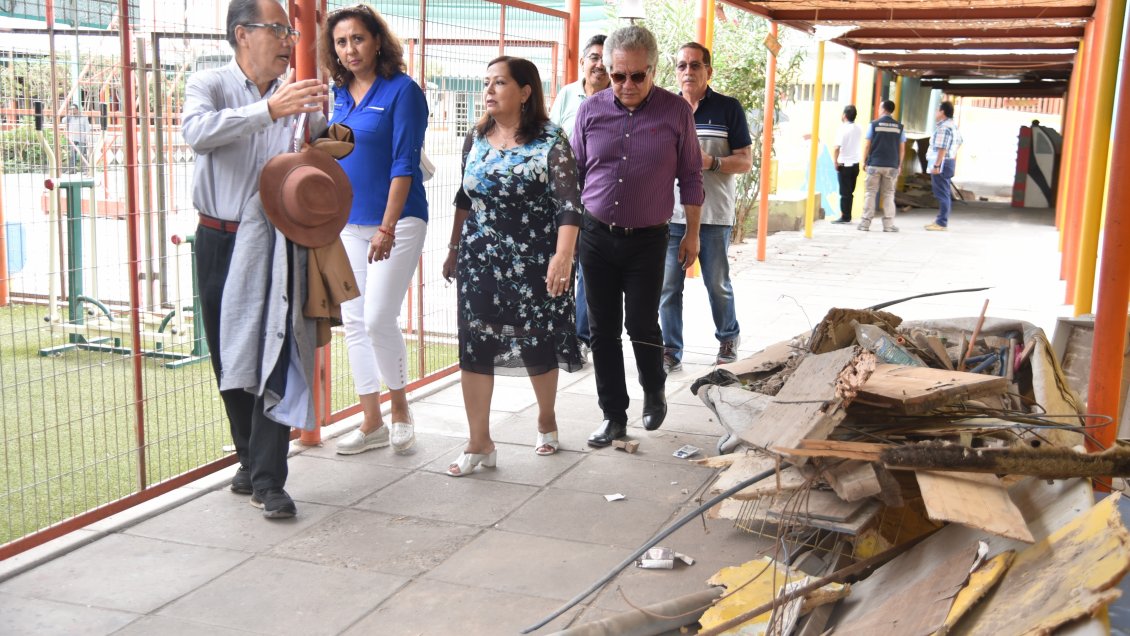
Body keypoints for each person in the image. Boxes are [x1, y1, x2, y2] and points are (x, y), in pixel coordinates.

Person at [182, 0, 327, 519]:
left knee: (274, 356)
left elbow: (319, 152)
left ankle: (270, 479)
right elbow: (196, 133)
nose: (291, 40)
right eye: (279, 30)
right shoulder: (209, 83)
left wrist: (330, 135)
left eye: (291, 31)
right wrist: (269, 110)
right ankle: (248, 458)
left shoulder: (300, 95)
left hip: (277, 244)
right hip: (219, 239)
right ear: (243, 34)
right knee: (229, 358)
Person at [441, 56, 583, 476]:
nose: (488, 90)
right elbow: (464, 200)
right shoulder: (476, 137)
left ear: (524, 92)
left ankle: (546, 417)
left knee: (537, 339)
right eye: (486, 82)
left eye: (499, 83)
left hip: (535, 260)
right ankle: (479, 441)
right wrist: (453, 247)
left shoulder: (551, 141)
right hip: (480, 258)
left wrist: (563, 255)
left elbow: (569, 205)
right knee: (475, 344)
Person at [572, 25, 703, 448]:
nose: (627, 85)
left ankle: (654, 390)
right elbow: (573, 175)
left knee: (643, 323)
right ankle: (613, 415)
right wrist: (568, 236)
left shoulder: (675, 112)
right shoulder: (590, 110)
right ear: (607, 69)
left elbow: (691, 176)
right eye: (617, 76)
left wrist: (693, 235)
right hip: (595, 236)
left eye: (637, 76)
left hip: (648, 240)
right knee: (601, 329)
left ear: (653, 70)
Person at [320, 5, 429, 456]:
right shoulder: (335, 94)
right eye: (342, 42)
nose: (350, 49)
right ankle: (371, 421)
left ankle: (401, 409)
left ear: (377, 41)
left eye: (358, 39)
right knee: (353, 321)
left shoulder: (403, 91)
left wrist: (386, 227)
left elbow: (404, 163)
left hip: (398, 221)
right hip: (348, 223)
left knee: (377, 317)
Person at [659, 42, 750, 374]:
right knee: (667, 286)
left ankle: (728, 338)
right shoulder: (664, 109)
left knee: (716, 283)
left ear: (708, 72)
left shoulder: (728, 108)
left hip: (713, 215)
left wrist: (711, 162)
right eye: (682, 66)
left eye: (695, 65)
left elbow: (745, 161)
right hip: (669, 216)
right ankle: (670, 349)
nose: (688, 71)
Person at [549, 33, 609, 357]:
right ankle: (560, 333)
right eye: (593, 58)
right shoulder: (567, 95)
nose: (599, 64)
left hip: (596, 198)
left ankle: (581, 338)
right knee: (561, 263)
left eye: (604, 58)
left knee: (585, 267)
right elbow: (551, 137)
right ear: (583, 61)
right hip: (562, 195)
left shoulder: (616, 99)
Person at [858, 99, 905, 232]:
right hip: (891, 166)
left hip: (874, 164)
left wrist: (864, 161)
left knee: (870, 193)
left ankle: (865, 224)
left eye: (879, 107)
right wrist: (899, 165)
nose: (878, 110)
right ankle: (889, 225)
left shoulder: (874, 125)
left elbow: (867, 144)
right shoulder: (899, 127)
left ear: (883, 109)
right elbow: (902, 148)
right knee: (889, 194)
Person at [925, 100, 961, 231]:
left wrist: (937, 165)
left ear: (942, 112)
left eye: (937, 110)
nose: (935, 113)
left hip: (941, 163)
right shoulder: (953, 126)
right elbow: (959, 142)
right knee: (943, 191)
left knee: (942, 193)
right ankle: (940, 219)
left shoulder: (944, 128)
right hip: (948, 161)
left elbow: (942, 148)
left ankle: (941, 222)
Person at [832, 104, 862, 224]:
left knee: (845, 193)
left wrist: (835, 161)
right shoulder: (858, 128)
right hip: (855, 165)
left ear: (844, 115)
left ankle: (845, 216)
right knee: (850, 192)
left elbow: (836, 148)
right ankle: (847, 215)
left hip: (844, 164)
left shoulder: (842, 129)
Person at [62, 103, 92, 172]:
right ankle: (72, 169)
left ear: (77, 110)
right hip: (72, 138)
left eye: (74, 109)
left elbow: (87, 127)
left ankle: (85, 170)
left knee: (83, 154)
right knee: (72, 154)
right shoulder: (70, 117)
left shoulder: (83, 117)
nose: (72, 111)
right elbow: (63, 121)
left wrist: (86, 137)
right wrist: (69, 115)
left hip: (82, 138)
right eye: (71, 109)